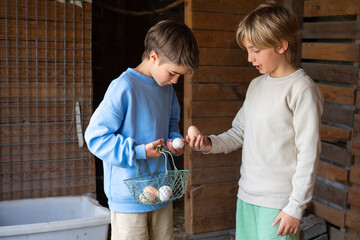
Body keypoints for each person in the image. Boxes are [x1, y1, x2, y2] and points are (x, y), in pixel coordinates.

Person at [186, 2, 323, 239]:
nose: (250, 58)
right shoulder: (256, 85)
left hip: (280, 204)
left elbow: (309, 153)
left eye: (255, 50)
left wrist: (295, 207)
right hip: (246, 197)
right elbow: (239, 132)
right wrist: (209, 143)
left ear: (281, 46)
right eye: (247, 50)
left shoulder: (301, 89)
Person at [85, 20, 199, 240]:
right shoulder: (124, 87)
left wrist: (174, 142)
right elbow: (96, 137)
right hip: (129, 200)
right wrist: (140, 151)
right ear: (154, 57)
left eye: (180, 76)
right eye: (173, 73)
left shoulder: (166, 90)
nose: (175, 81)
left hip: (161, 192)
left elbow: (171, 125)